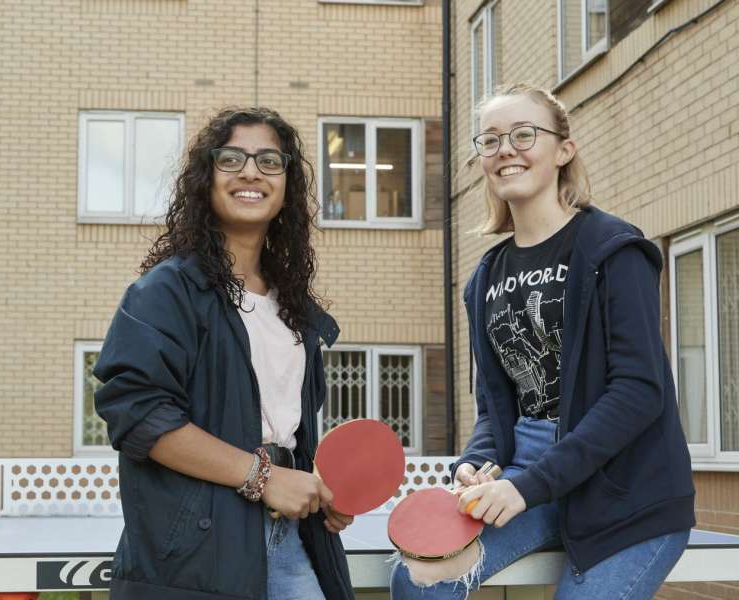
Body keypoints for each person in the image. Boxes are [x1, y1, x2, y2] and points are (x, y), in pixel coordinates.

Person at [392, 83, 696, 599]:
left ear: (563, 150)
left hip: (625, 486)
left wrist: (525, 485)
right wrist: (474, 462)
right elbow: (495, 408)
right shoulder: (485, 278)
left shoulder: (614, 250)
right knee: (420, 581)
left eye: (524, 134)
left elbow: (639, 392)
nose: (505, 149)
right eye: (490, 140)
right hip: (526, 475)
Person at [93, 107, 355, 600]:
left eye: (269, 161)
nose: (250, 171)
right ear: (205, 181)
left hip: (289, 539)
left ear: (287, 188)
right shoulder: (166, 291)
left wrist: (313, 490)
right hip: (198, 547)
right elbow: (138, 414)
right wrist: (263, 477)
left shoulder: (292, 304)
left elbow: (285, 428)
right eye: (231, 158)